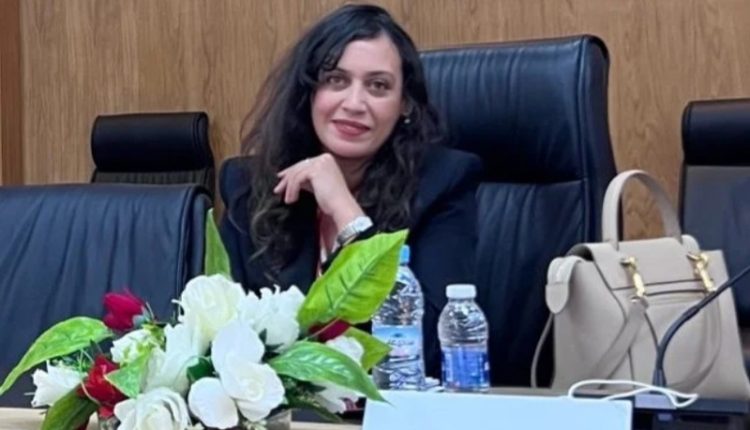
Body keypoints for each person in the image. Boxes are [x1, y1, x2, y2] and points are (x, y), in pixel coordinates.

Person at [220, 3, 480, 379]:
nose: (354, 104)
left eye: (378, 86)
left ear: (405, 104)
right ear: (309, 92)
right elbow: (222, 337)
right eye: (336, 80)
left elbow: (431, 351)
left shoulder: (442, 185)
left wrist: (347, 213)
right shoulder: (251, 187)